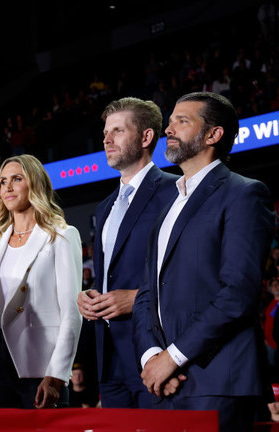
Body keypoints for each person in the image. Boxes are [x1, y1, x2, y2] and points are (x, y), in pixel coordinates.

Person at [133, 92, 274, 431]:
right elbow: (146, 294)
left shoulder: (244, 193)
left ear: (213, 135)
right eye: (170, 121)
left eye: (182, 121)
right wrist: (152, 357)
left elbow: (238, 294)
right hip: (165, 383)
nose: (169, 128)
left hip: (219, 382)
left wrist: (172, 358)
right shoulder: (169, 205)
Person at [77, 97, 178, 408]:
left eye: (118, 131)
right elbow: (108, 276)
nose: (107, 139)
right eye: (106, 132)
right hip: (109, 358)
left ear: (146, 137)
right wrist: (88, 296)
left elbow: (188, 273)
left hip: (155, 352)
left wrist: (136, 297)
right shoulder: (105, 207)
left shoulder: (176, 191)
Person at [0, 154, 82, 410]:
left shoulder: (62, 235)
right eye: (3, 181)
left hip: (40, 366)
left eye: (16, 179)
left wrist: (56, 374)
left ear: (35, 184)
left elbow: (71, 313)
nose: (7, 187)